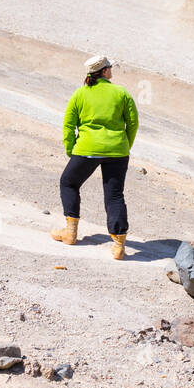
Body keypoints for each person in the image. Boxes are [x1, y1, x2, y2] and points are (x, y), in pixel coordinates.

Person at [51, 54, 139, 260]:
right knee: (114, 195)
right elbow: (133, 123)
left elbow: (68, 125)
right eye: (110, 67)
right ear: (105, 71)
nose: (111, 70)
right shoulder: (121, 93)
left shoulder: (80, 94)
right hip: (117, 151)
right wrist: (124, 145)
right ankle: (119, 245)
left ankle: (70, 233)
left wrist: (71, 149)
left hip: (87, 149)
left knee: (69, 182)